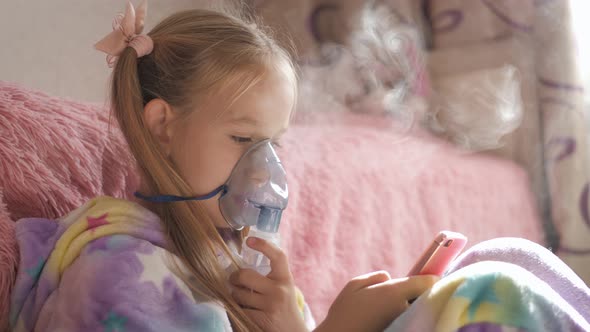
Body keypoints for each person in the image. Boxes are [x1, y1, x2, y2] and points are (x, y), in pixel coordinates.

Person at [9, 2, 437, 331]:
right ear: (162, 126)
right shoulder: (121, 274)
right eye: (243, 139)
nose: (263, 170)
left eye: (273, 144)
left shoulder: (242, 270)